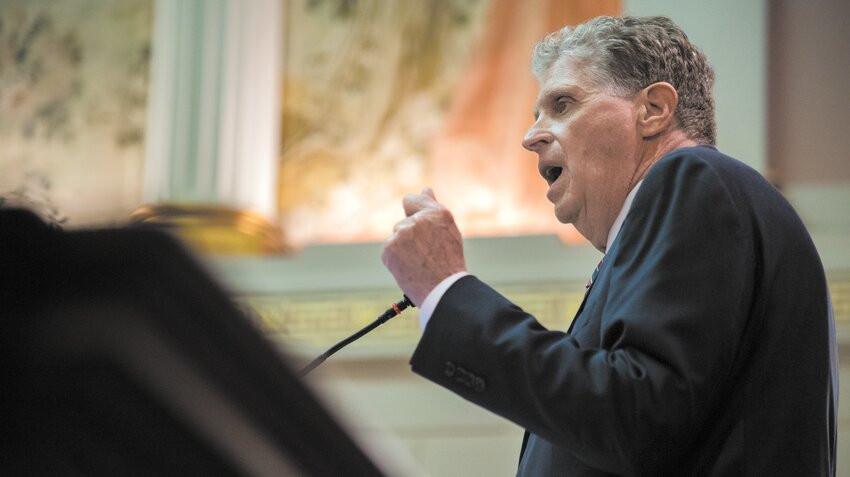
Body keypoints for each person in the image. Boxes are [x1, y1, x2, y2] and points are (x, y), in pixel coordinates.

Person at [381, 15, 838, 476]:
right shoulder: (694, 210)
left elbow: (634, 416)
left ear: (654, 109)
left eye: (562, 104)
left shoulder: (695, 180)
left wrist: (449, 290)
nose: (530, 136)